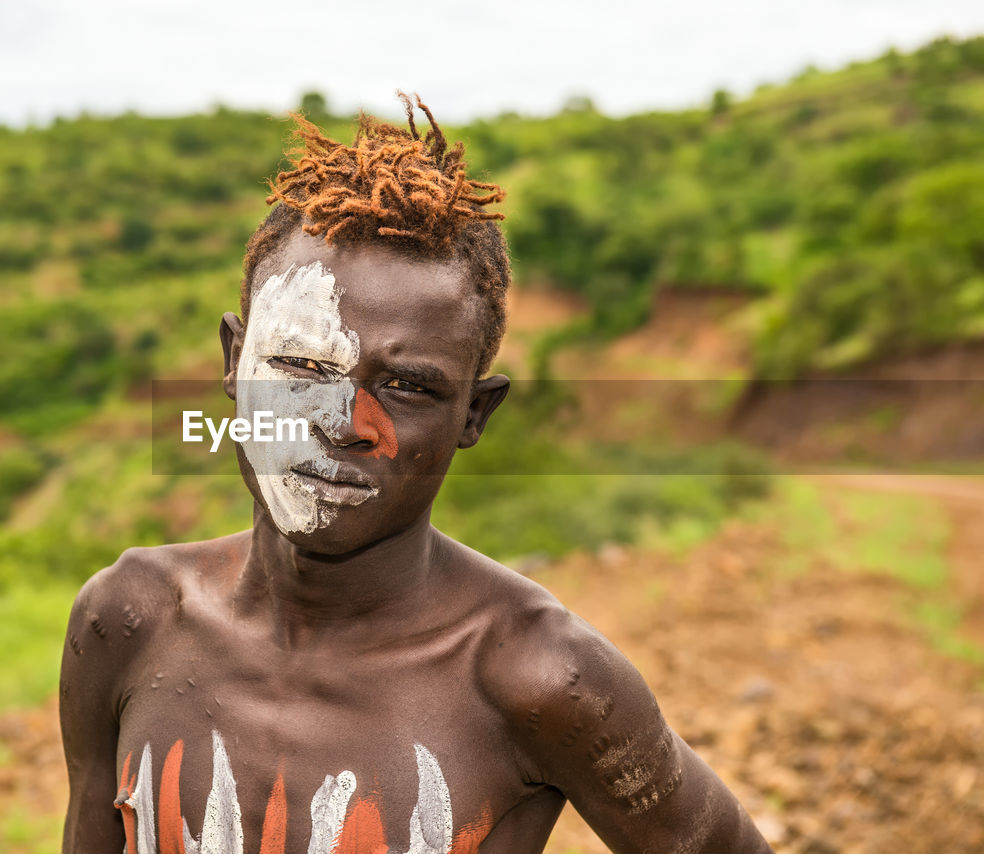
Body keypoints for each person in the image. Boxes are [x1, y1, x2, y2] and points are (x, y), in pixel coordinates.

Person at [60, 95, 771, 854]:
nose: (343, 422)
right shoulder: (128, 623)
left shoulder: (537, 678)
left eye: (407, 388)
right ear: (235, 363)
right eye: (301, 365)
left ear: (473, 415)